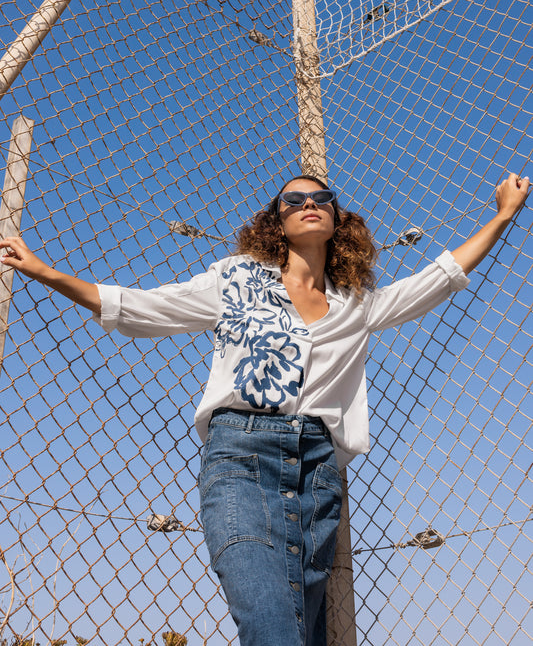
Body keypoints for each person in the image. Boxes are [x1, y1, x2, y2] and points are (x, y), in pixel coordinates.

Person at [0, 172, 528, 646]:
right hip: (240, 456)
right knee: (270, 621)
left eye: (321, 197)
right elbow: (142, 307)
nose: (309, 203)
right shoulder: (234, 279)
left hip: (319, 470)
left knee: (303, 623)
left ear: (338, 217)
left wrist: (502, 216)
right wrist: (44, 272)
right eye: (293, 200)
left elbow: (439, 278)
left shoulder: (358, 303)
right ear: (276, 221)